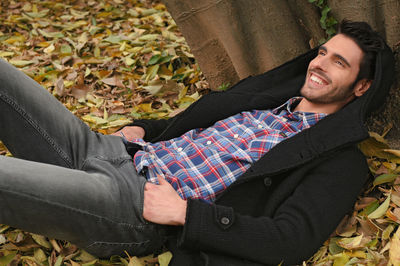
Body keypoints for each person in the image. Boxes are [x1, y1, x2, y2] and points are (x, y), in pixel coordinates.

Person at [0, 20, 394, 265]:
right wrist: (143, 129)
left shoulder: (338, 160)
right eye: (323, 53)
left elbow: (290, 240)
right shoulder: (269, 101)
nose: (320, 64)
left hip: (133, 206)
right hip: (106, 150)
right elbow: (191, 129)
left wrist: (188, 215)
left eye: (339, 62)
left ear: (361, 87)